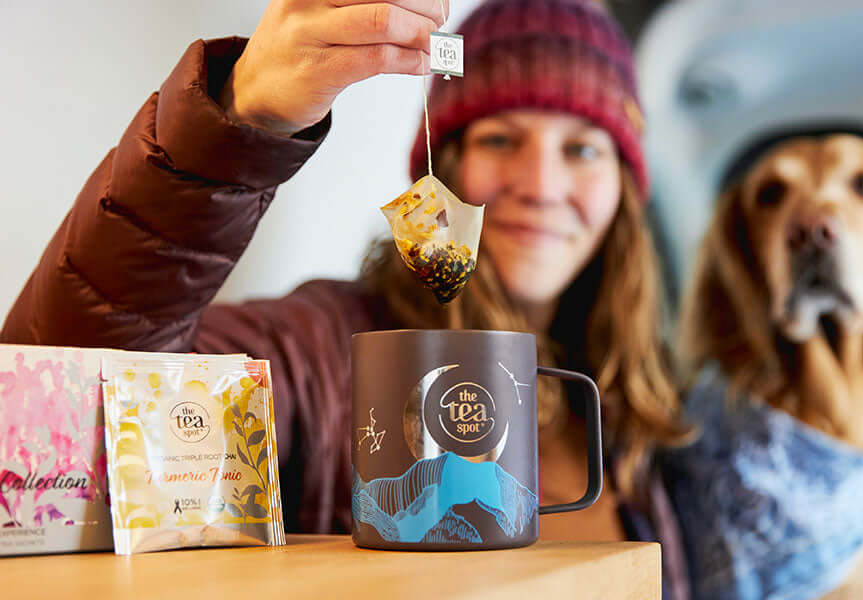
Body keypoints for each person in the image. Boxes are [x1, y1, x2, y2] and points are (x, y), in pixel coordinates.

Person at [1, 0, 690, 596]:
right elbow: (63, 403)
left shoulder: (654, 404)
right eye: (501, 138)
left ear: (626, 191)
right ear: (441, 168)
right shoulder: (324, 354)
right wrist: (240, 123)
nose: (540, 183)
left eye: (583, 149)